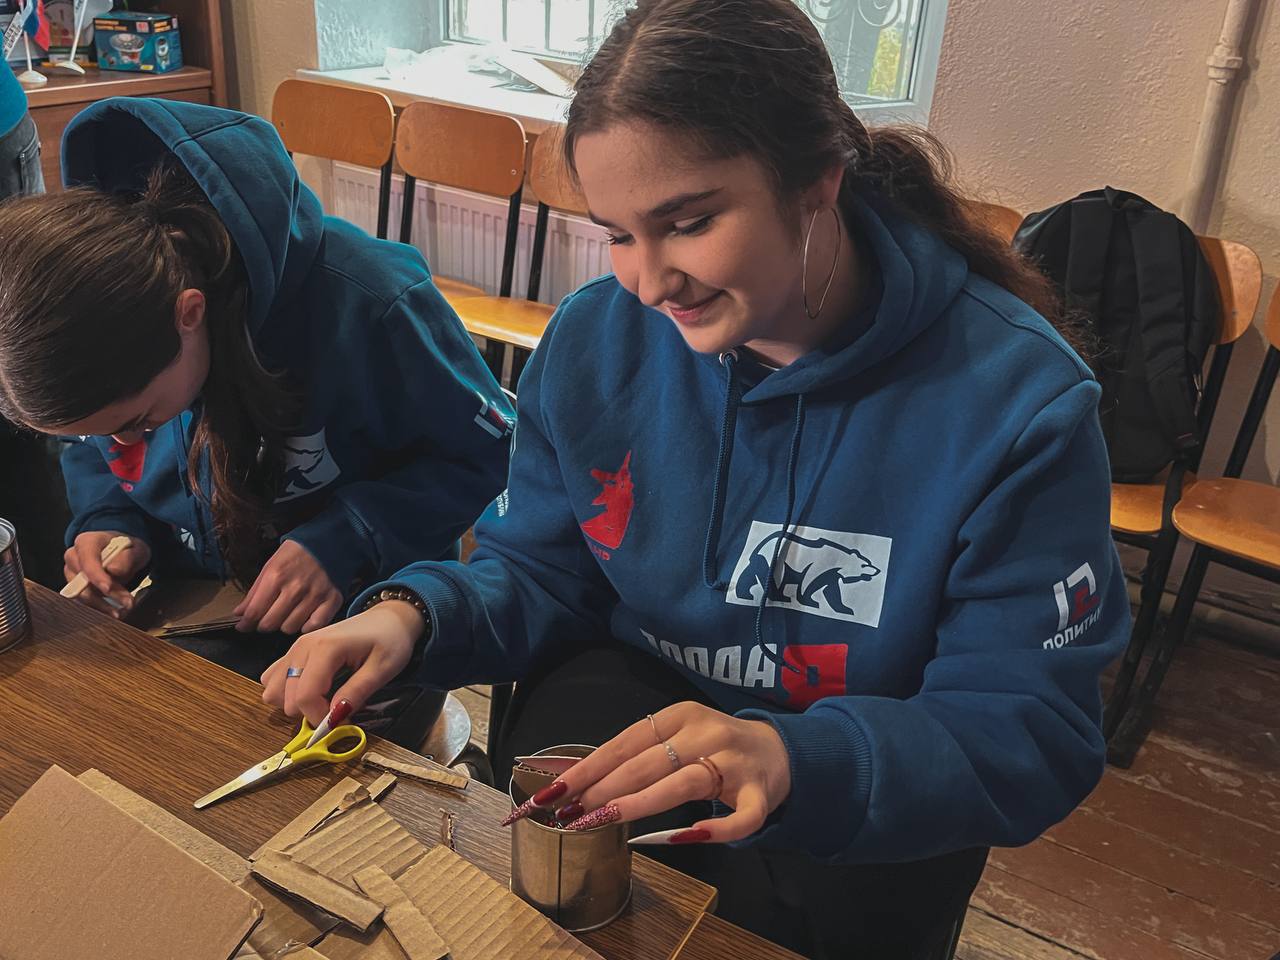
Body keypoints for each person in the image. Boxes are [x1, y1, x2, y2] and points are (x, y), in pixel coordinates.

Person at [261, 1, 1128, 956]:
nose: (647, 282)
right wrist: (415, 616)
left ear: (818, 182)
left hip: (859, 816)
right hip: (624, 765)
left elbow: (1027, 728)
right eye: (616, 234)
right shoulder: (597, 342)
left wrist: (796, 758)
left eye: (688, 223)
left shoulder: (1018, 404)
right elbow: (545, 570)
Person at [0, 98, 513, 740]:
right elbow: (96, 449)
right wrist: (111, 520)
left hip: (372, 611)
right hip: (208, 603)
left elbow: (489, 455)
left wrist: (350, 535)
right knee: (110, 731)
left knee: (299, 774)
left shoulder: (372, 303)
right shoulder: (114, 355)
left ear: (189, 315)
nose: (123, 443)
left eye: (141, 420)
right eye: (98, 433)